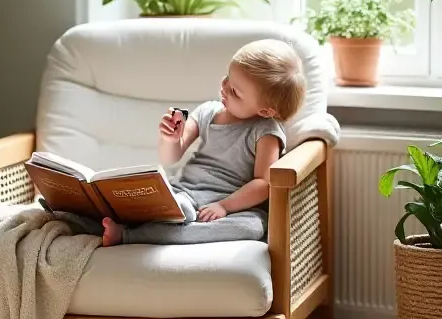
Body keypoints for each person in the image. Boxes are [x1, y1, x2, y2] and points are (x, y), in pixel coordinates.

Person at [98, 38, 306, 247]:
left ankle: (130, 235)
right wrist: (171, 139)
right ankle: (171, 213)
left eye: (235, 91)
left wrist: (224, 206)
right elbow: (171, 157)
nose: (224, 87)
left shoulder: (265, 131)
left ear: (264, 110)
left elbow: (263, 184)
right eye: (227, 77)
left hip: (229, 206)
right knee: (177, 205)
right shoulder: (208, 111)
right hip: (186, 193)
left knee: (254, 227)